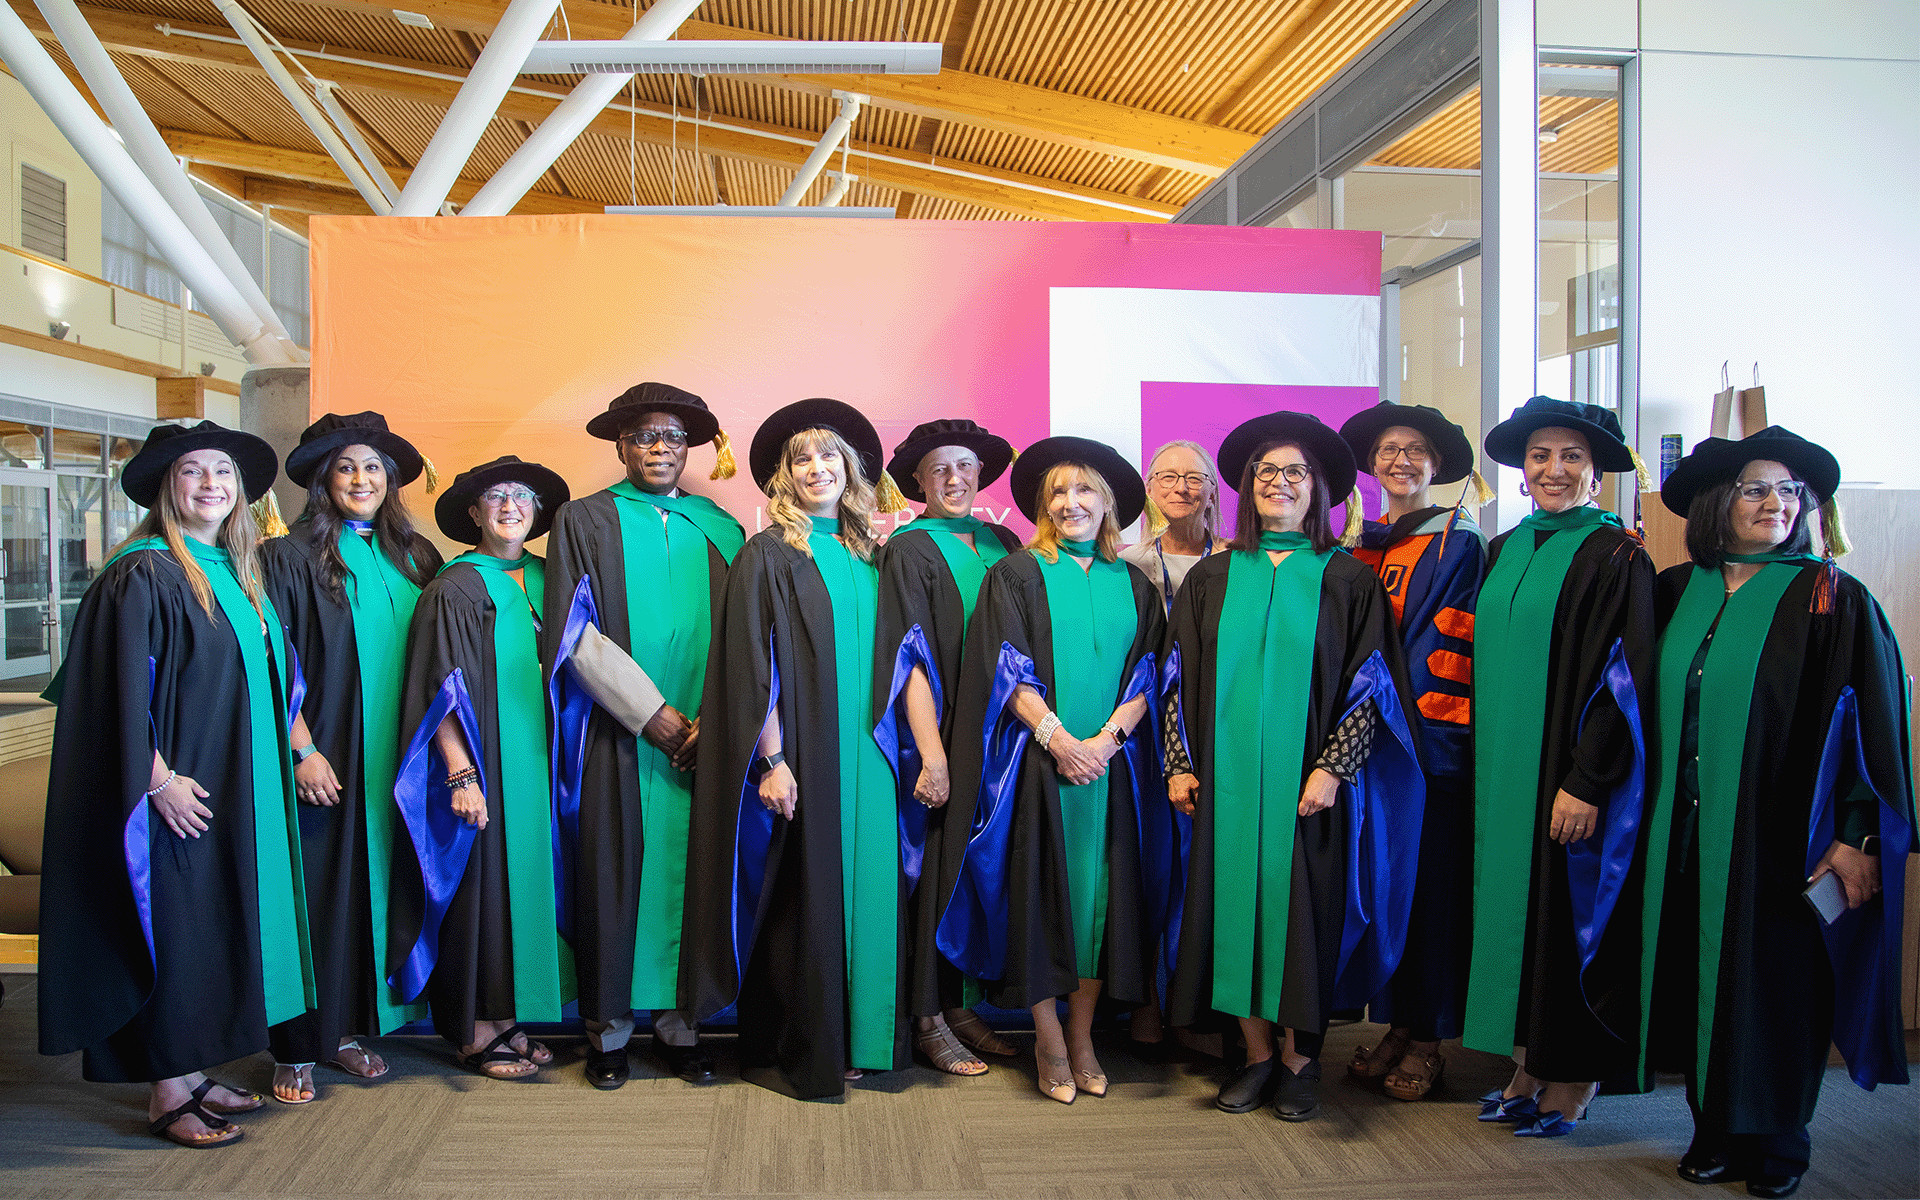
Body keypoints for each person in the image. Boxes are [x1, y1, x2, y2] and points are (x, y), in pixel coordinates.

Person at [1641, 427, 1912, 1198]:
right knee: (1695, 979)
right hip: (1684, 831)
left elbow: (1873, 728)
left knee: (1779, 988)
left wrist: (1856, 835)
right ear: (1717, 503)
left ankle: (1781, 1143)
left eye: (1790, 491)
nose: (1776, 503)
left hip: (1782, 838)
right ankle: (1713, 1129)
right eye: (1756, 489)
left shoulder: (1830, 599)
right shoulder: (1674, 591)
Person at [39, 421, 312, 1147]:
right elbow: (109, 697)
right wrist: (156, 780)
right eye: (194, 471)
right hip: (177, 789)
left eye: (223, 471)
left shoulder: (234, 570)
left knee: (209, 929)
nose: (212, 485)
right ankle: (167, 1090)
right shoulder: (144, 571)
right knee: (177, 929)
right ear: (168, 486)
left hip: (237, 787)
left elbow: (272, 680)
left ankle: (192, 1070)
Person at [1162, 411, 1424, 1122]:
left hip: (1309, 790)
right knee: (1230, 912)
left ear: (1319, 491)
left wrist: (1335, 767)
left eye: (1295, 474)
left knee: (1303, 918)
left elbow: (1375, 685)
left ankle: (1302, 1062)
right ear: (1248, 488)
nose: (1280, 484)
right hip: (1224, 788)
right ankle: (1253, 1055)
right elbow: (1173, 680)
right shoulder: (1212, 578)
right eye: (1266, 473)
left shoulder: (1347, 579)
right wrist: (1179, 764)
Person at [680, 398, 913, 1100]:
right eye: (802, 459)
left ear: (851, 471)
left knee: (872, 891)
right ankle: (806, 1045)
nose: (817, 468)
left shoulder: (874, 554)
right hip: (806, 756)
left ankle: (866, 1037)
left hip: (872, 757)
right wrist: (773, 760)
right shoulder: (771, 553)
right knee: (805, 898)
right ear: (785, 476)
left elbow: (906, 660)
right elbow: (756, 668)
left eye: (829, 457)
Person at [930, 436, 1169, 1105]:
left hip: (1113, 770)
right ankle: (1048, 1038)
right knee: (1042, 900)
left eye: (1085, 490)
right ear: (1042, 504)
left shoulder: (1136, 581)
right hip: (1041, 767)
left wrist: (1109, 740)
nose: (1071, 503)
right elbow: (1005, 666)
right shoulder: (1018, 573)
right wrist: (1062, 739)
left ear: (1109, 502)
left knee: (1102, 904)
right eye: (1058, 492)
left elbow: (1154, 671)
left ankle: (1085, 1034)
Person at [1465, 395, 1656, 1137]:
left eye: (1571, 456)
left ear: (1595, 472)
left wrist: (1587, 778)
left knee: (1568, 921)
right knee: (1525, 918)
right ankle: (1530, 1061)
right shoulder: (1508, 546)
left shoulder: (1618, 556)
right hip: (1505, 773)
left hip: (1566, 776)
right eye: (1540, 455)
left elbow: (1627, 682)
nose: (1554, 469)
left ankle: (1574, 1077)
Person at [544, 382, 744, 1090]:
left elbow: (748, 640)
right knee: (612, 874)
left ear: (689, 448)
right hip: (618, 735)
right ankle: (609, 1031)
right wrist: (652, 715)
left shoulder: (722, 527)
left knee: (693, 877)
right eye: (645, 437)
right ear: (621, 445)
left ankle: (682, 1026)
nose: (661, 447)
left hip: (705, 741)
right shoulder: (584, 520)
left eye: (674, 437)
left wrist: (714, 722)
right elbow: (573, 631)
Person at [262, 411, 443, 1104]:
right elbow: (273, 663)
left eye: (372, 468)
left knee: (374, 895)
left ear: (391, 479)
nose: (361, 479)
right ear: (322, 481)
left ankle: (345, 1034)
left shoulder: (415, 556)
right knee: (316, 899)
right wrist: (301, 748)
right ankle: (295, 1046)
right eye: (345, 468)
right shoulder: (289, 558)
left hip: (399, 763)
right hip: (328, 756)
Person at [390, 456, 574, 1078]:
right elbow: (436, 687)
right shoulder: (456, 586)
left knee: (525, 883)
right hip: (488, 760)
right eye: (495, 498)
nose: (510, 507)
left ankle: (509, 1014)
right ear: (473, 514)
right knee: (480, 890)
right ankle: (472, 1027)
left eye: (521, 497)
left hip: (545, 764)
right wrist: (460, 772)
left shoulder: (551, 577)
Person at [1336, 400, 1487, 1101]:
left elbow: (1441, 649)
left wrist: (1391, 730)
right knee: (1384, 887)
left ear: (1436, 465)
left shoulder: (1456, 540)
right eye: (1389, 449)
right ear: (1371, 464)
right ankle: (1396, 1023)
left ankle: (1428, 1038)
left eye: (1415, 450)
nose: (1400, 460)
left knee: (1427, 894)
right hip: (1362, 752)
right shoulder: (1359, 544)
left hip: (1424, 750)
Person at [874, 418, 1021, 1076]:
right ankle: (927, 1016)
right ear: (918, 482)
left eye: (965, 466)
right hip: (942, 732)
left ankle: (962, 1006)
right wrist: (932, 753)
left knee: (976, 870)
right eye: (940, 470)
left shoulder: (1007, 541)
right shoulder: (908, 548)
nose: (956, 478)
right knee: (933, 872)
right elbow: (907, 659)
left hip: (1005, 735)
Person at [1120, 440, 1223, 612]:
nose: (1181, 488)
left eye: (1195, 478)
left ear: (1212, 495)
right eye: (1168, 477)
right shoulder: (1128, 563)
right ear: (1149, 490)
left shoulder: (1236, 561)